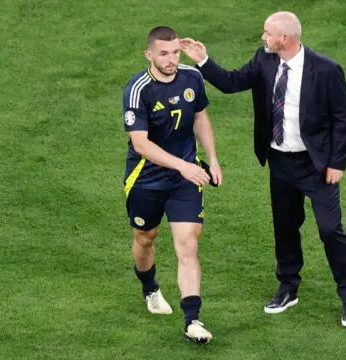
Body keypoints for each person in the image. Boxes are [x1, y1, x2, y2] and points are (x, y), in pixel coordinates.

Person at [180, 11, 346, 327]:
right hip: (280, 162)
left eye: (267, 33)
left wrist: (336, 163)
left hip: (316, 166)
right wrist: (203, 60)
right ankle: (288, 287)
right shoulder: (264, 61)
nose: (262, 38)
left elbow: (344, 118)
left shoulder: (327, 69)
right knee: (285, 227)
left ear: (285, 39)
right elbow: (232, 82)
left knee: (330, 229)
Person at [122, 25, 222, 343]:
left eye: (176, 52)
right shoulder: (138, 89)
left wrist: (212, 159)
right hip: (146, 179)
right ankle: (150, 287)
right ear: (148, 54)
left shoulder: (192, 77)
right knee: (145, 238)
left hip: (185, 180)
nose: (171, 59)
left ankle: (192, 320)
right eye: (164, 53)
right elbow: (140, 143)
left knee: (188, 245)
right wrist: (183, 165)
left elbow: (200, 117)